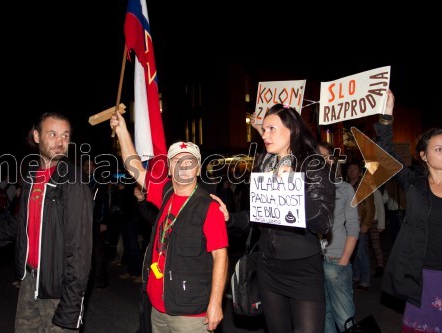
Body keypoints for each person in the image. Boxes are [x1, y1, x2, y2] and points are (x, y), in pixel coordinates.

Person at [0, 112, 93, 332]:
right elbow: (22, 221)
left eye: (65, 135)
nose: (60, 142)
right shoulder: (32, 176)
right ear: (36, 136)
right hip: (29, 279)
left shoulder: (73, 182)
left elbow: (80, 249)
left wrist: (72, 304)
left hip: (58, 288)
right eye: (52, 134)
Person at [110, 111, 229, 333]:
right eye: (177, 161)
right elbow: (134, 166)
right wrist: (122, 130)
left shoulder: (208, 207)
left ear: (198, 168)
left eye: (189, 161)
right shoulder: (164, 192)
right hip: (158, 306)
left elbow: (220, 256)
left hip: (190, 313)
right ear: (170, 168)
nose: (183, 165)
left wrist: (215, 303)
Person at [229, 104, 335, 332]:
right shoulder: (263, 165)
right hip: (269, 268)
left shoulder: (314, 166)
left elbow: (324, 221)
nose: (264, 135)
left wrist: (292, 189)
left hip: (303, 271)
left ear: (293, 130)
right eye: (263, 130)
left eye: (271, 129)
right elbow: (258, 215)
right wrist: (230, 218)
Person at [377, 90, 442, 331]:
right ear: (423, 156)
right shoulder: (414, 183)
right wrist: (387, 115)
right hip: (423, 275)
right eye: (438, 149)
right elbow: (385, 156)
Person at [318, 142, 359, 333]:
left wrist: (343, 261)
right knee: (323, 315)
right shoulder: (306, 190)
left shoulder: (345, 189)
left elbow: (353, 227)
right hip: (313, 263)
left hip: (336, 260)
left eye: (327, 157)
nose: (322, 161)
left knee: (344, 317)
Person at [346, 162, 375, 291]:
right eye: (350, 168)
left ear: (359, 172)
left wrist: (366, 224)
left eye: (355, 168)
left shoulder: (364, 187)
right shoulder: (345, 185)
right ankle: (356, 276)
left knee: (361, 253)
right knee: (352, 252)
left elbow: (370, 207)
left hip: (359, 223)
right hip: (347, 224)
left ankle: (365, 280)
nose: (352, 171)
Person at [83, 159, 110, 289]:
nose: (88, 167)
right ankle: (87, 279)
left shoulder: (99, 183)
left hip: (96, 221)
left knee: (98, 252)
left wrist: (103, 221)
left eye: (90, 165)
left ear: (94, 167)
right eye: (86, 165)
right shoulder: (80, 182)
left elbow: (104, 203)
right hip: (83, 222)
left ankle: (100, 280)